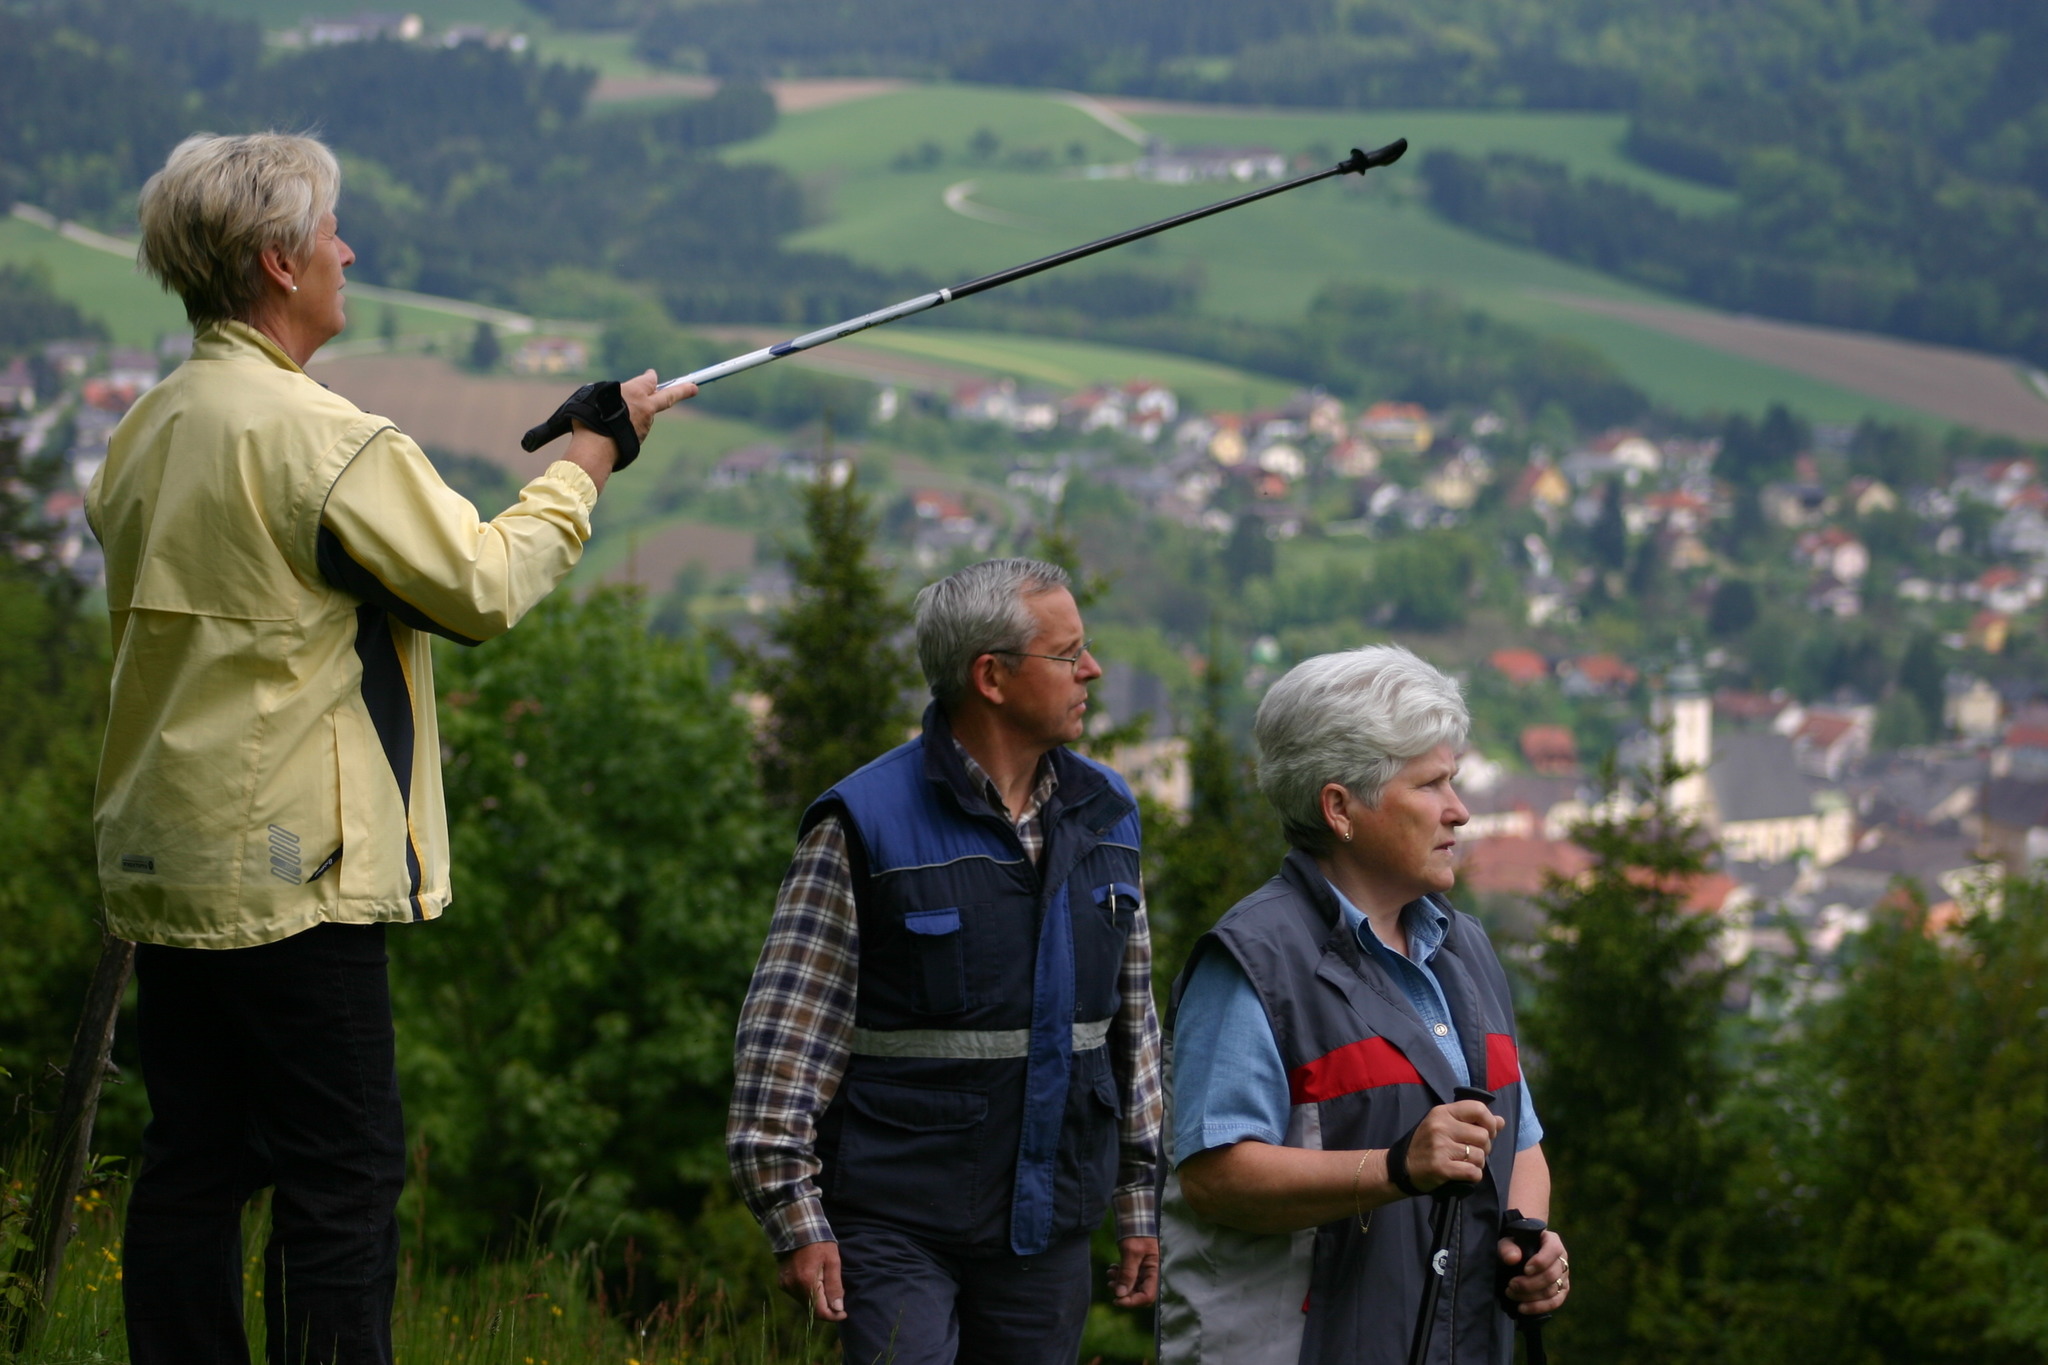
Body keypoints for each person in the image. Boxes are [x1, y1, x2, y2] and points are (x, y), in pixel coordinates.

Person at [89, 131, 688, 1365]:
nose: (346, 251)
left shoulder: (144, 427)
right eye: (329, 234)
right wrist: (590, 457)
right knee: (342, 1186)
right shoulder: (321, 440)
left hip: (166, 859)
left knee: (191, 1169)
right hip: (295, 878)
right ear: (276, 262)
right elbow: (480, 587)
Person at [727, 558, 1163, 1364]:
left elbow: (1131, 1023)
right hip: (896, 1224)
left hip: (1051, 1227)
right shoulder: (864, 822)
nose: (1092, 670)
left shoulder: (1110, 813)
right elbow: (787, 1033)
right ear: (991, 676)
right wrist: (793, 1210)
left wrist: (1140, 1194)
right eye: (1068, 654)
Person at [1157, 645, 1570, 1364]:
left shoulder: (1464, 948)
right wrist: (1394, 1166)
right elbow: (1215, 1179)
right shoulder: (1254, 962)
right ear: (1340, 807)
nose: (1461, 811)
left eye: (1456, 780)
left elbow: (1521, 1140)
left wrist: (1528, 1237)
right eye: (1431, 785)